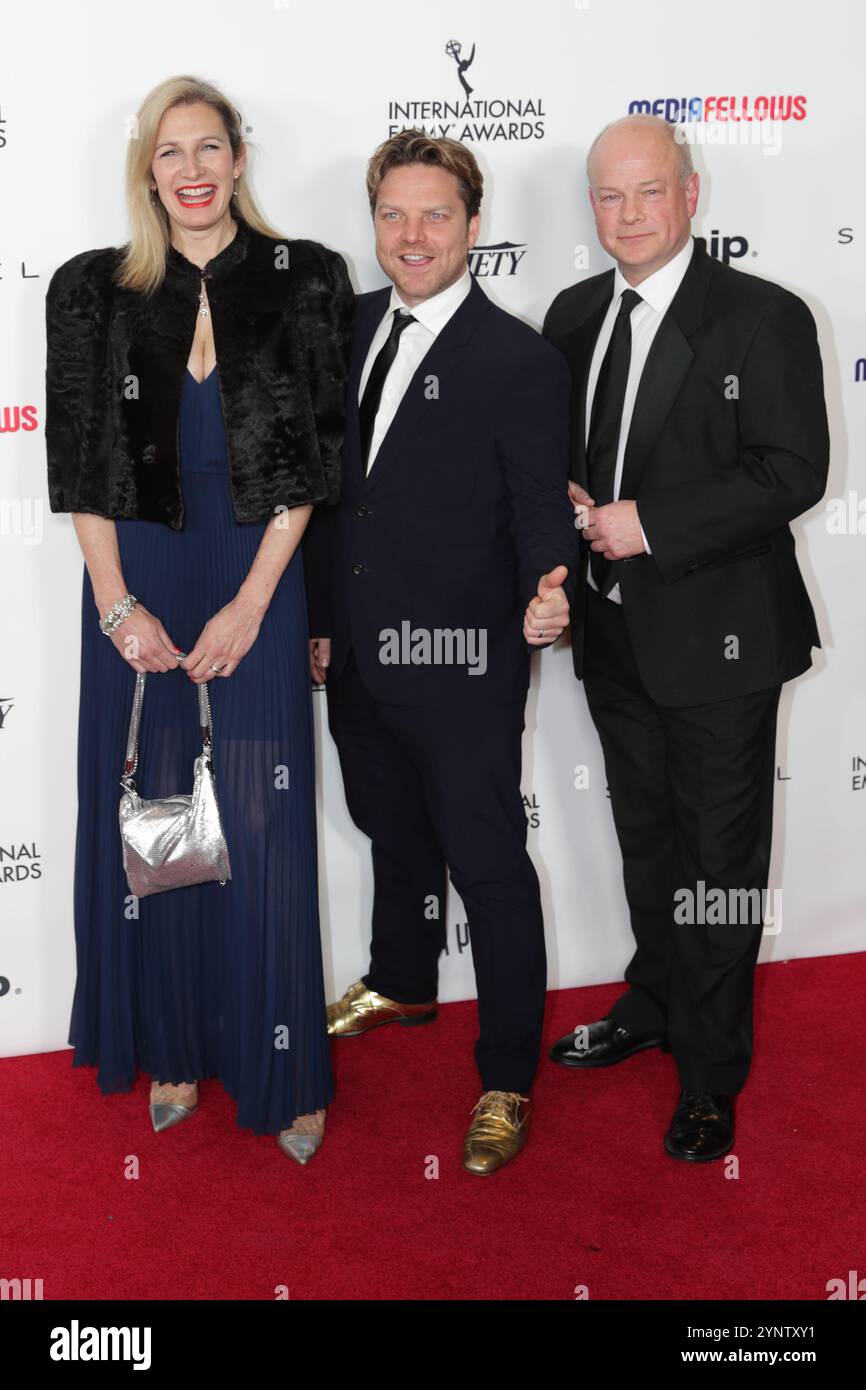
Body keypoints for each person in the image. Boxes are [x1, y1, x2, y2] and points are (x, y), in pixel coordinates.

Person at [45, 75, 353, 1164]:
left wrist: (257, 600)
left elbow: (312, 464)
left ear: (237, 157)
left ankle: (283, 1068)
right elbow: (81, 467)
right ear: (147, 170)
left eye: (209, 146)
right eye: (170, 152)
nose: (192, 169)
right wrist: (115, 602)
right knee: (159, 815)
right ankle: (173, 1045)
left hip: (257, 573)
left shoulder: (303, 276)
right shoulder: (93, 290)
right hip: (138, 582)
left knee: (261, 827)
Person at [543, 114, 829, 1161]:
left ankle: (710, 1073)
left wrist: (645, 524)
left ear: (690, 195)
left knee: (716, 860)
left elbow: (788, 473)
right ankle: (654, 997)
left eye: (647, 193)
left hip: (721, 645)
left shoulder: (760, 316)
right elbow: (561, 454)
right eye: (608, 197)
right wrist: (565, 503)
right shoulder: (573, 313)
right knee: (648, 840)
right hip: (613, 638)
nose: (627, 215)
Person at [303, 129, 577, 1176]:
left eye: (434, 216)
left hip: (462, 662)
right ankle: (401, 979)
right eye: (392, 215)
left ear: (472, 225)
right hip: (360, 653)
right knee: (387, 828)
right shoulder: (350, 327)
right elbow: (337, 502)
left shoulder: (516, 360)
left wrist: (546, 589)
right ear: (373, 222)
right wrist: (322, 618)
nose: (410, 236)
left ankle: (505, 1074)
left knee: (489, 868)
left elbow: (533, 506)